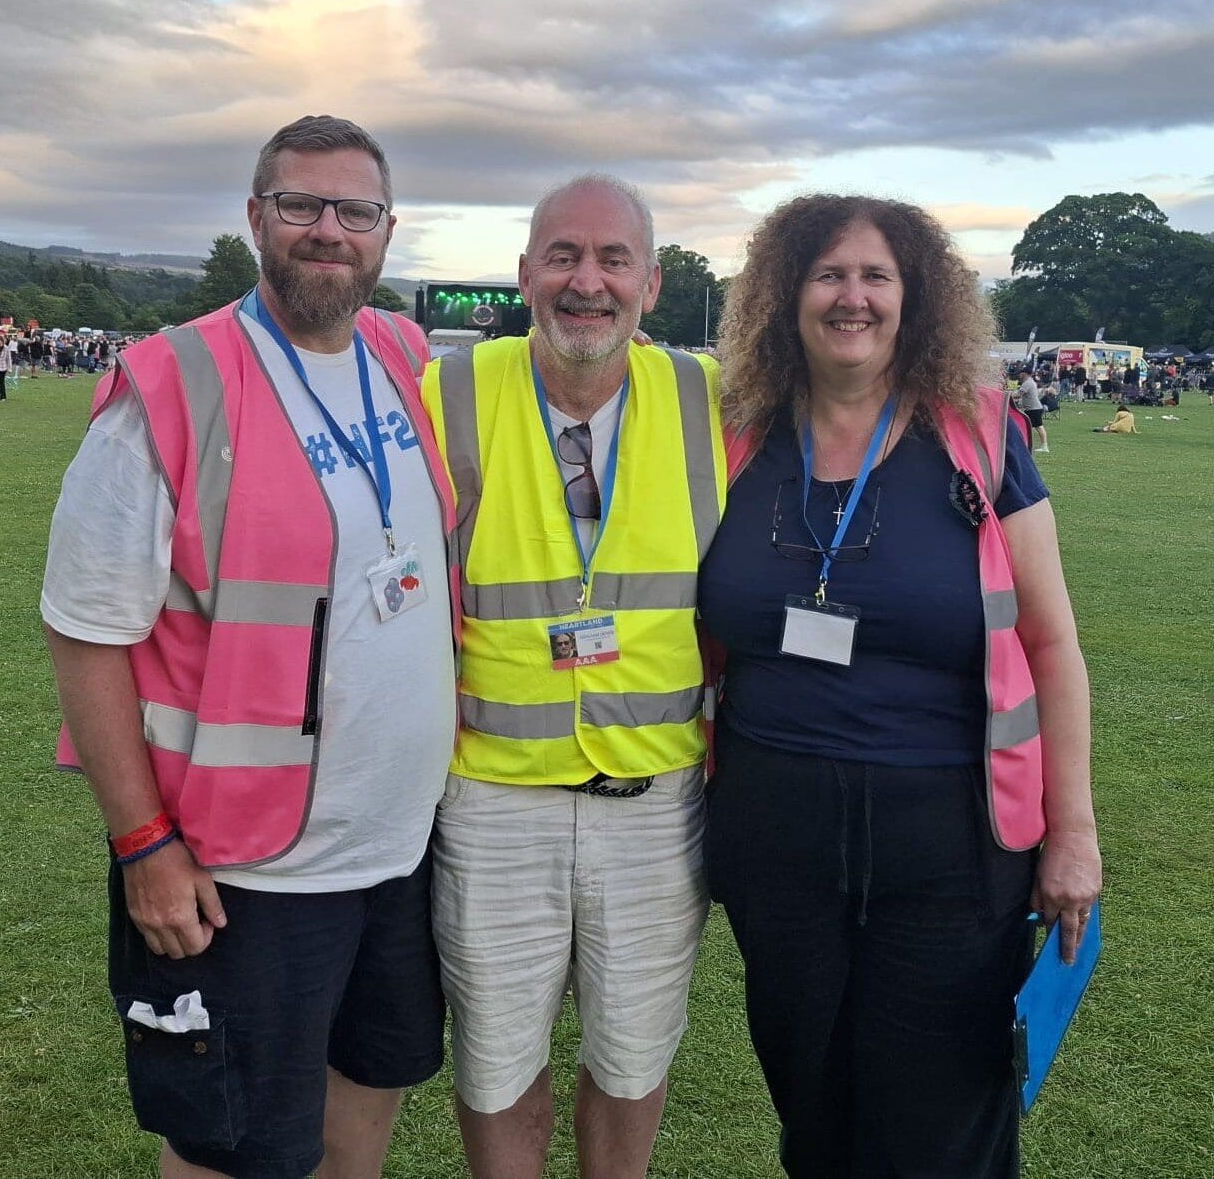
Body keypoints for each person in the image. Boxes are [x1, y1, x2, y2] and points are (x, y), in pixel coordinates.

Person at [44, 114, 451, 1179]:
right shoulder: (172, 385)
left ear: (387, 230)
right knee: (234, 1148)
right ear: (256, 218)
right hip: (247, 861)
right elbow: (86, 631)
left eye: (353, 210)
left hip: (401, 842)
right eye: (300, 205)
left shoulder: (403, 356)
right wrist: (141, 841)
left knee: (366, 1098)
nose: (328, 229)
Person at [698, 194, 1102, 1178]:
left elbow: (1051, 643)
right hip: (774, 833)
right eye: (829, 274)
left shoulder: (977, 435)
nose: (853, 297)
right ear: (785, 296)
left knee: (938, 1121)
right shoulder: (732, 437)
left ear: (914, 298)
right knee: (815, 1104)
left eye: (877, 275)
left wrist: (1075, 830)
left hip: (950, 844)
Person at [418, 174, 725, 1179]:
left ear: (653, 281)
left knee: (633, 1058)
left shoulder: (711, 395)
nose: (585, 281)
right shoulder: (450, 387)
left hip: (656, 795)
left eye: (611, 258)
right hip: (495, 795)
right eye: (562, 256)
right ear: (524, 274)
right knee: (498, 1062)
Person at [1017, 370, 1048, 452]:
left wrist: (1008, 395)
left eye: (1021, 372)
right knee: (1026, 426)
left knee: (1039, 427)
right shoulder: (1029, 382)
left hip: (1034, 409)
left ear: (1025, 373)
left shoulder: (1028, 383)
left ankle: (1044, 446)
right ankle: (1026, 444)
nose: (1019, 374)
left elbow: (1018, 394)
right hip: (1030, 409)